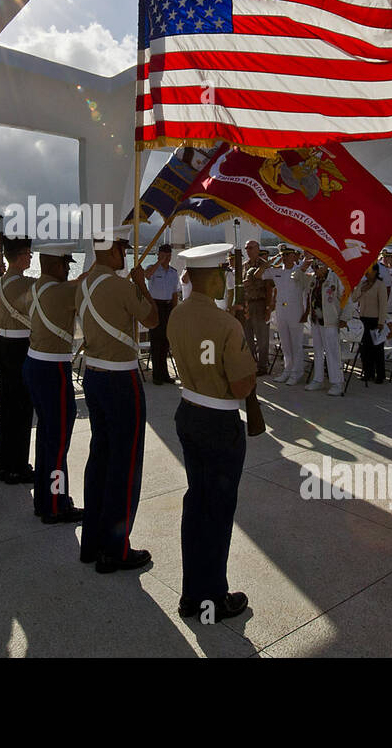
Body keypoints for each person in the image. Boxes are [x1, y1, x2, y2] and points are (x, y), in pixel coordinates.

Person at [168, 243, 257, 623]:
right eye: (225, 273)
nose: (228, 279)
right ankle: (213, 599)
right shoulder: (227, 325)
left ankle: (193, 594)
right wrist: (242, 344)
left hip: (189, 411)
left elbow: (201, 348)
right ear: (215, 277)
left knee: (197, 504)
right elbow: (241, 386)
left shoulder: (177, 314)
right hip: (220, 423)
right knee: (218, 512)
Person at [78, 224, 158, 572]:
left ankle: (92, 541)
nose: (124, 255)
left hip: (92, 375)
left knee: (100, 457)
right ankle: (116, 548)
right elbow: (153, 319)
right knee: (125, 465)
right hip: (120, 378)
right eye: (122, 250)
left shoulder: (82, 282)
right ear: (111, 251)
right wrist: (141, 284)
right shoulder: (120, 286)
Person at [24, 241, 86, 523]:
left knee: (47, 438)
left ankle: (44, 498)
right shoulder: (62, 292)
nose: (66, 270)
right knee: (59, 441)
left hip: (34, 364)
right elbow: (87, 283)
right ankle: (56, 503)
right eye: (63, 264)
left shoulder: (36, 287)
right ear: (51, 265)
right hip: (53, 370)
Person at [0, 236, 36, 483]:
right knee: (21, 409)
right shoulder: (24, 284)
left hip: (5, 344)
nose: (30, 257)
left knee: (8, 408)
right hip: (21, 346)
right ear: (20, 256)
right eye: (28, 253)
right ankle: (18, 466)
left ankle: (6, 464)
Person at [266, 245, 309, 386]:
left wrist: (306, 312)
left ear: (294, 256)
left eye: (287, 255)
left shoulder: (300, 271)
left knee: (296, 343)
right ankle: (287, 370)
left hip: (295, 310)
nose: (284, 258)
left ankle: (297, 372)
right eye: (282, 255)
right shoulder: (277, 271)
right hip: (281, 310)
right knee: (285, 343)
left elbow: (308, 291)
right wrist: (271, 261)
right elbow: (259, 274)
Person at [304, 259, 346, 395]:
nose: (315, 269)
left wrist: (345, 317)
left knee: (333, 352)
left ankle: (337, 382)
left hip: (330, 321)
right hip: (317, 321)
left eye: (318, 266)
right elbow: (301, 283)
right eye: (313, 266)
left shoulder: (335, 279)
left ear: (326, 265)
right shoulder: (314, 280)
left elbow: (347, 298)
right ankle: (318, 379)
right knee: (317, 351)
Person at [146, 243, 181, 385]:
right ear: (159, 255)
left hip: (167, 307)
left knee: (166, 341)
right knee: (156, 341)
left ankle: (165, 373)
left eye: (168, 255)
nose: (167, 258)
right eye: (164, 255)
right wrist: (159, 262)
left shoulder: (173, 272)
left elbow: (174, 293)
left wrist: (175, 311)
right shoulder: (152, 269)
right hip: (155, 306)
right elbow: (147, 276)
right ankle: (156, 375)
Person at [239, 239, 274, 374]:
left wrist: (268, 308)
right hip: (247, 304)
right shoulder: (244, 266)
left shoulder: (265, 266)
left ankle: (262, 366)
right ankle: (251, 362)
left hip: (260, 303)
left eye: (251, 248)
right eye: (247, 248)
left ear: (258, 249)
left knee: (262, 337)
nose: (248, 250)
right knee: (248, 336)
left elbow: (270, 288)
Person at [354, 262, 389, 384]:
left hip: (375, 320)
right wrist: (361, 289)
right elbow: (354, 298)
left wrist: (381, 322)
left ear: (375, 272)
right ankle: (367, 372)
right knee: (364, 348)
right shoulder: (363, 284)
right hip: (363, 319)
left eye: (369, 272)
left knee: (377, 349)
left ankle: (380, 374)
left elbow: (383, 305)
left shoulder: (380, 285)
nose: (367, 274)